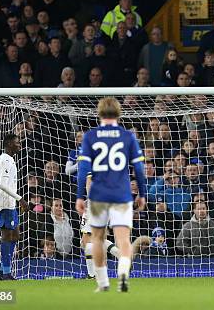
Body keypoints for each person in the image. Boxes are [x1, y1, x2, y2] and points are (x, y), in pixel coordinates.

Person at [76, 97, 146, 292]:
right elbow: (139, 169)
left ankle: (103, 282)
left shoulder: (90, 136)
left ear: (99, 113)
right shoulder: (127, 136)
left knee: (96, 239)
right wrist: (142, 193)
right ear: (119, 113)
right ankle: (123, 277)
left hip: (98, 195)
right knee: (122, 239)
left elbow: (82, 171)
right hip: (122, 194)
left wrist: (79, 197)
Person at [0, 134, 26, 280]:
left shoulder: (9, 159)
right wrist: (21, 199)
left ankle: (2, 270)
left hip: (9, 202)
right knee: (8, 235)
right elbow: (3, 185)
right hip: (5, 202)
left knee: (15, 235)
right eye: (16, 142)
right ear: (8, 144)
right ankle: (5, 273)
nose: (19, 144)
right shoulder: (5, 160)